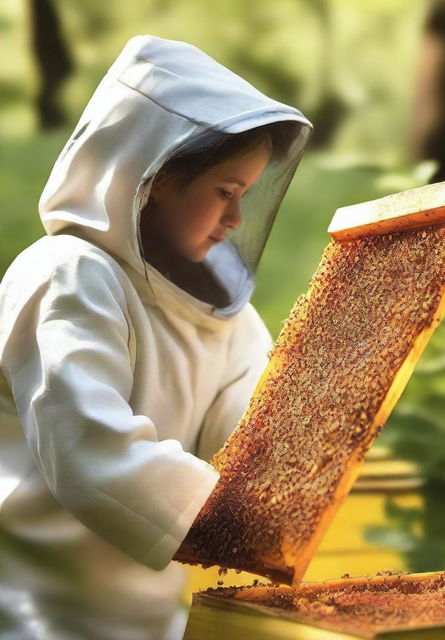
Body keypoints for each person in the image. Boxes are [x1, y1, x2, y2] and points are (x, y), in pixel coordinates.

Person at [0, 34, 312, 640]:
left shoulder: (226, 317)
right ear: (155, 176)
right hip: (30, 616)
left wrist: (328, 413)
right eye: (225, 192)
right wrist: (237, 531)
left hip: (152, 624)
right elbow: (91, 453)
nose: (236, 221)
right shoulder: (66, 274)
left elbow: (256, 447)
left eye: (245, 196)